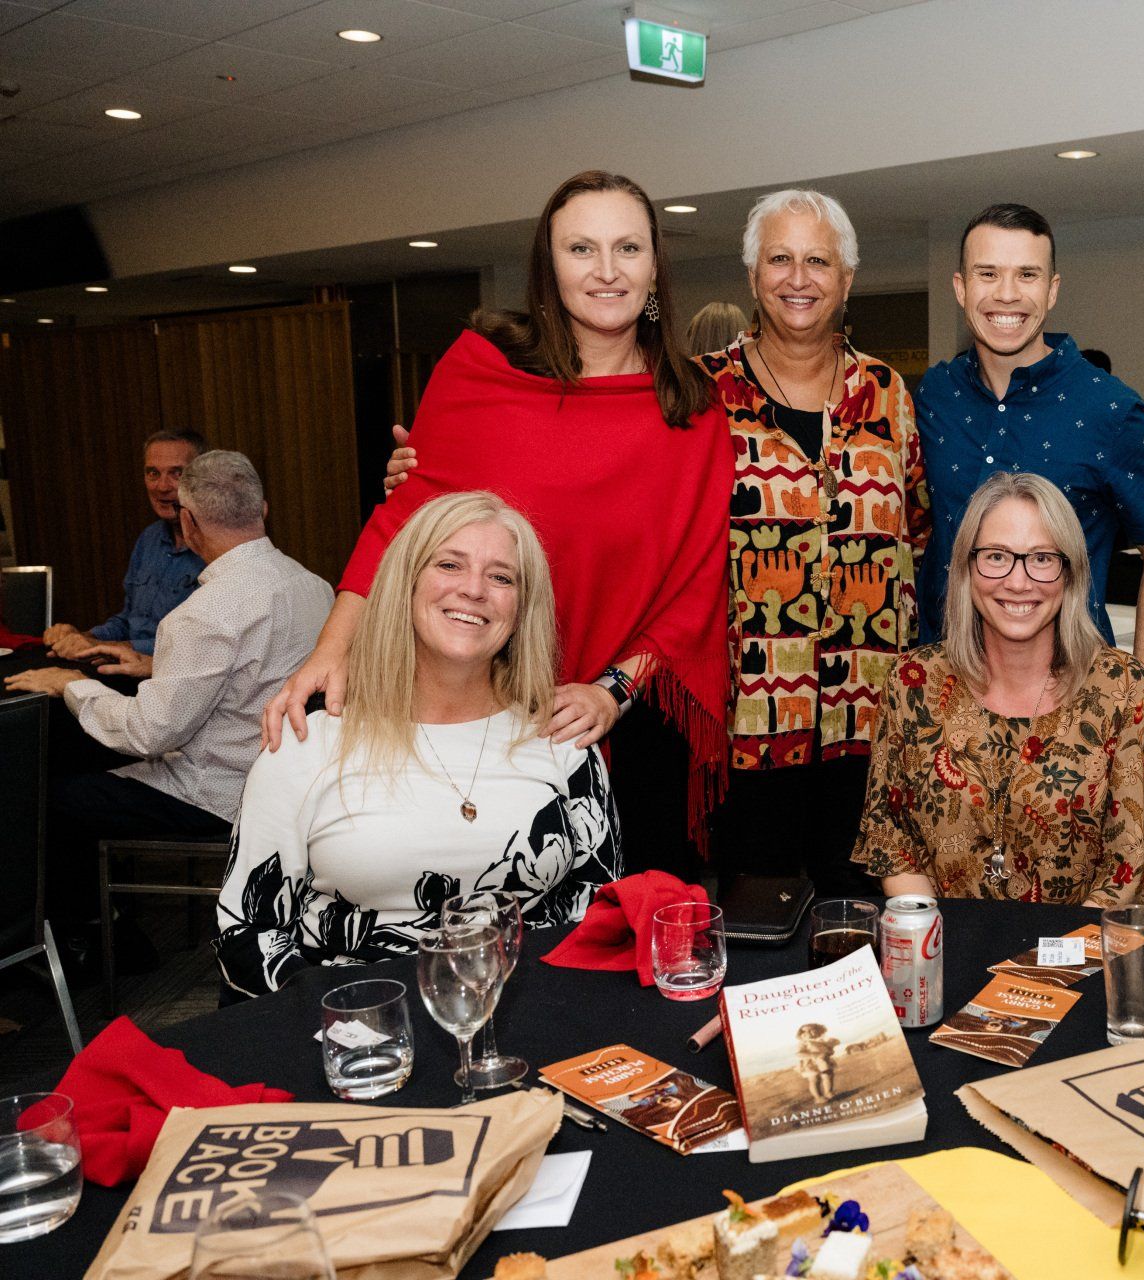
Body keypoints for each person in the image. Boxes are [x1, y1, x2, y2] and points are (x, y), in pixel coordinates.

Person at [264, 170, 732, 880]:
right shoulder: (482, 369)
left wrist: (612, 691)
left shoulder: (692, 408)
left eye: (628, 249)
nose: (607, 272)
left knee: (631, 945)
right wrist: (332, 649)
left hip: (628, 719)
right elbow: (403, 524)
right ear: (549, 269)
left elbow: (698, 584)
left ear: (655, 267)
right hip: (478, 699)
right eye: (582, 250)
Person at [216, 493, 617, 998]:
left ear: (522, 609)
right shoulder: (307, 744)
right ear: (402, 586)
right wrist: (357, 1022)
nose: (473, 590)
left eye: (501, 577)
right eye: (449, 564)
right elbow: (246, 935)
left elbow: (601, 913)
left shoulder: (563, 739)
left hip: (529, 1016)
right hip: (359, 1031)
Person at [6, 450, 331, 967]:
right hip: (294, 779)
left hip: (220, 793)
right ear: (262, 510)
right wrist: (152, 665)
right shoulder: (314, 587)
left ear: (189, 521)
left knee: (52, 797)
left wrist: (71, 684)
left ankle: (95, 943)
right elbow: (254, 673)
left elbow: (147, 735)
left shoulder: (202, 614)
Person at [696, 188, 931, 893]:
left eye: (818, 261)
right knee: (755, 927)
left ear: (847, 279)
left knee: (858, 926)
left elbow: (915, 529)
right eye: (780, 259)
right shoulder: (698, 395)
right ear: (752, 276)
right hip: (745, 725)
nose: (799, 278)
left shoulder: (888, 393)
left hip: (871, 721)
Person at [853, 472, 1144, 907]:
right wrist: (940, 950)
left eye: (1042, 558)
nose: (1017, 581)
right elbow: (893, 845)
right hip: (945, 953)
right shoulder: (912, 684)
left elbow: (1133, 866)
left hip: (1080, 958)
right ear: (967, 568)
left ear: (1070, 572)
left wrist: (1036, 973)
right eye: (996, 556)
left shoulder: (1124, 691)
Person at [915, 204, 1144, 667]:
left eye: (1027, 275)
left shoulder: (1111, 410)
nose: (1007, 294)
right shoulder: (933, 395)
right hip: (942, 680)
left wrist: (1140, 683)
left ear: (1052, 289)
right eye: (987, 273)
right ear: (960, 288)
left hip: (1068, 690)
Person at [41, 429, 206, 659]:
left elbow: (198, 643)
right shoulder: (148, 539)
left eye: (176, 473)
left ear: (201, 479)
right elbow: (130, 620)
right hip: (126, 668)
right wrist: (84, 637)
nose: (161, 486)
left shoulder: (214, 547)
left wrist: (117, 647)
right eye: (153, 473)